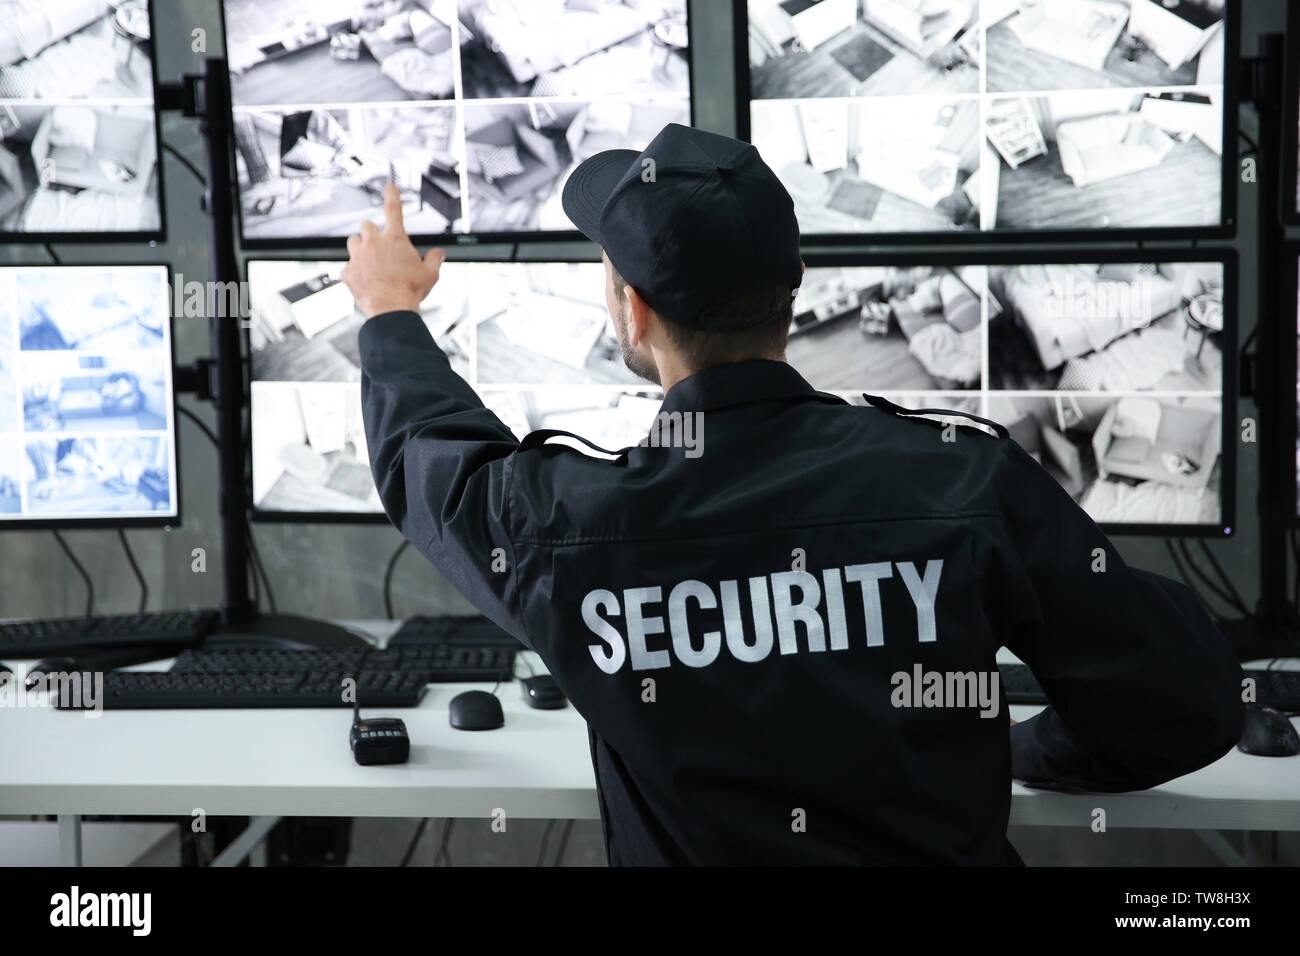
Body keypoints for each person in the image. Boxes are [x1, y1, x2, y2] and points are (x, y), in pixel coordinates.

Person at [342, 125, 1244, 866]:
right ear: (790, 290)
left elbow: (432, 461)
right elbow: (1187, 701)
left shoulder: (568, 524)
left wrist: (389, 313)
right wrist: (1027, 753)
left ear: (635, 312)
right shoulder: (962, 478)